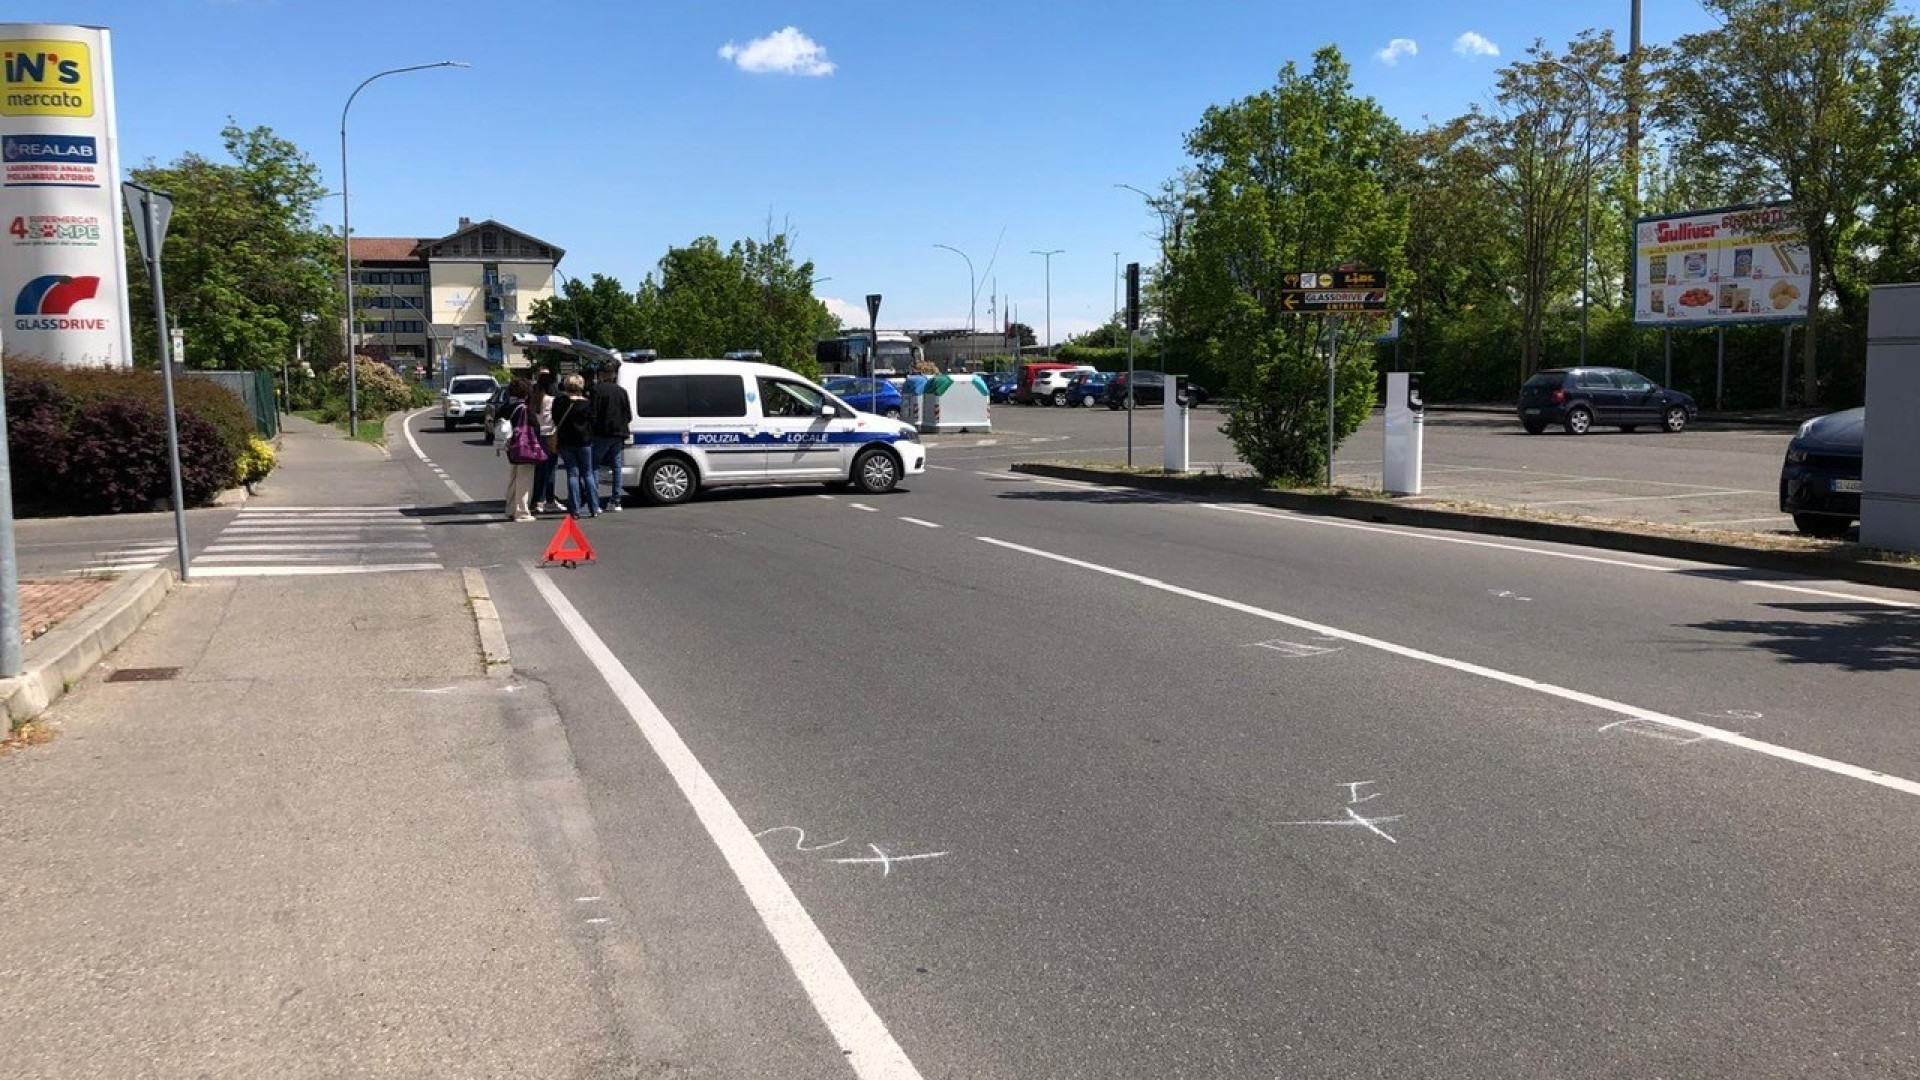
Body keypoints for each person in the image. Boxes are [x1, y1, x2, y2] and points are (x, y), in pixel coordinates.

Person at [587, 366, 634, 512]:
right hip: (619, 434)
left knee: (594, 465)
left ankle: (594, 502)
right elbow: (629, 415)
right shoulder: (622, 391)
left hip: (601, 433)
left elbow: (592, 413)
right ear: (613, 375)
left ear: (601, 375)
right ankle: (616, 500)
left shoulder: (596, 390)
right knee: (616, 467)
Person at [553, 373, 599, 518]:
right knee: (588, 474)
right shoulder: (587, 404)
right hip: (584, 442)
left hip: (566, 442)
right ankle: (594, 507)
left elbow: (555, 419)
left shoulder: (559, 402)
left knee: (572, 474)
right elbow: (593, 422)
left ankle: (575, 509)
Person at [500, 377, 537, 522]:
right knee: (524, 479)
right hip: (524, 446)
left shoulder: (506, 408)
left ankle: (510, 508)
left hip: (510, 446)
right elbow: (535, 426)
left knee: (513, 477)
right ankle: (522, 512)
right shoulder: (525, 409)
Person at [529, 370, 561, 513]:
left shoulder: (533, 400)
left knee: (539, 470)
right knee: (550, 469)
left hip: (536, 436)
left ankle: (537, 500)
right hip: (550, 436)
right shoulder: (551, 400)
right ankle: (549, 499)